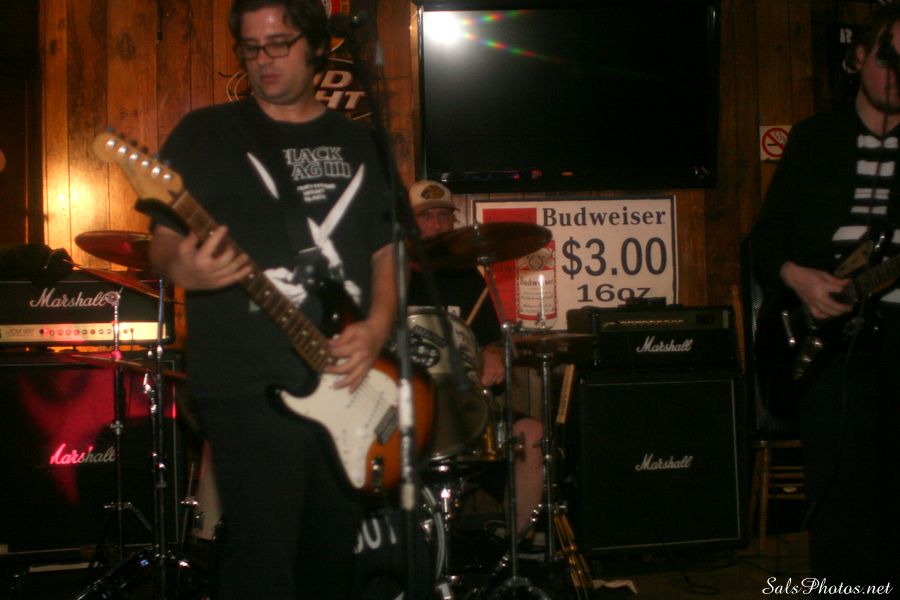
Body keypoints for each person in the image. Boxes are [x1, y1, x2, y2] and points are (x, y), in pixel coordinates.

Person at [146, 0, 398, 597]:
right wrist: (187, 269)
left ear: (318, 47)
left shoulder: (362, 143)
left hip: (347, 385)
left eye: (280, 43)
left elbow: (388, 250)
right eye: (252, 47)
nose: (264, 59)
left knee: (329, 565)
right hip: (246, 382)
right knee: (262, 561)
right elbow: (163, 243)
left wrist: (377, 327)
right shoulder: (206, 134)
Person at [751, 5, 900, 593]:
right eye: (889, 57)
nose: (898, 73)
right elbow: (765, 238)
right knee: (840, 494)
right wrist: (799, 277)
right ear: (859, 57)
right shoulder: (815, 139)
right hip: (826, 334)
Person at [406, 179, 544, 539]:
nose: (437, 225)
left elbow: (491, 340)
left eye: (444, 216)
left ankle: (519, 547)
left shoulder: (467, 277)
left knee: (531, 434)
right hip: (406, 412)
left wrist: (493, 352)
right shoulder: (391, 276)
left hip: (465, 409)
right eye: (426, 217)